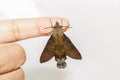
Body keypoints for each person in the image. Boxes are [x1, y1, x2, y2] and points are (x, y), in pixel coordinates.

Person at [0, 17, 69, 80]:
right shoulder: (62, 34)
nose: (57, 25)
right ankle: (61, 60)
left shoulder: (53, 33)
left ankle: (60, 60)